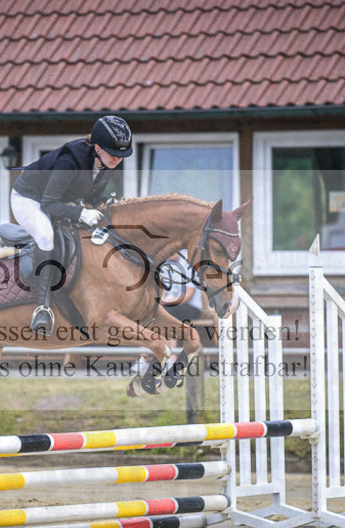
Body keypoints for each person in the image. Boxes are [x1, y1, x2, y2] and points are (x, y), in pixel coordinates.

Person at [10, 115, 133, 335]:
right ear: (97, 147)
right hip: (29, 198)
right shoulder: (69, 162)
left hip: (57, 200)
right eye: (113, 153)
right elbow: (48, 204)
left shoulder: (104, 163)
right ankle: (42, 308)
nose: (117, 159)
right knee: (46, 236)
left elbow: (93, 196)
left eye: (121, 155)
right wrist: (80, 213)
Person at [131, 252, 203, 375]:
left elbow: (188, 295)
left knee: (167, 315)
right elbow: (160, 290)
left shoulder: (188, 265)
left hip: (190, 306)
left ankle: (171, 358)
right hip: (169, 306)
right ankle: (143, 358)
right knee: (150, 313)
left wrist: (167, 303)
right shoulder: (164, 265)